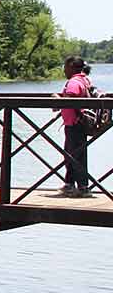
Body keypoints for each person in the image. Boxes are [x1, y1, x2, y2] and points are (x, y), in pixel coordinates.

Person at [54, 56, 94, 198]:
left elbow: (71, 99)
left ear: (71, 67)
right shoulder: (85, 80)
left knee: (75, 156)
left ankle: (83, 188)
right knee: (72, 154)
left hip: (74, 123)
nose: (64, 70)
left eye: (65, 67)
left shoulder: (73, 82)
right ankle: (70, 184)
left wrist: (57, 100)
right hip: (79, 123)